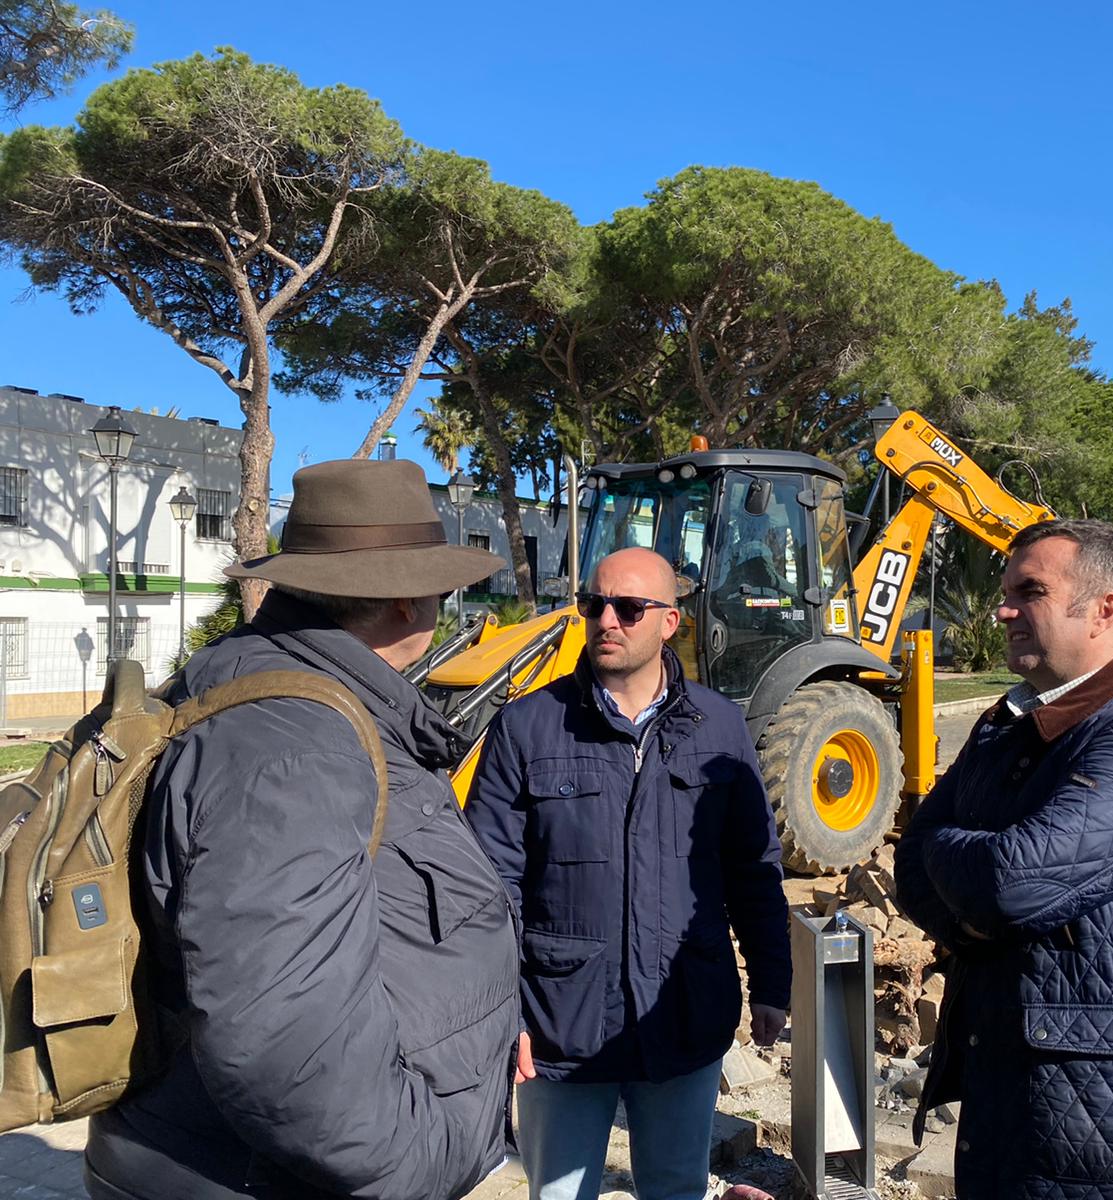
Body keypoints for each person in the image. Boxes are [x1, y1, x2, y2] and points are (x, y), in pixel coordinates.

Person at [83, 459, 521, 1200]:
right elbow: (282, 1045)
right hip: (256, 1176)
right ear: (407, 600)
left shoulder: (280, 696)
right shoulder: (294, 751)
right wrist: (426, 1160)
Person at [467, 547, 790, 1200]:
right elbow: (487, 889)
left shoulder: (720, 728)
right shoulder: (528, 727)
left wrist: (772, 985)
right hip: (560, 1024)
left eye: (629, 607)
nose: (606, 620)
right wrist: (502, 1014)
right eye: (595, 604)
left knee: (675, 1188)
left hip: (682, 1013)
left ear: (670, 621)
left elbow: (753, 869)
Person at [895, 518, 1113, 1200]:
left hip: (1097, 1119)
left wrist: (970, 882)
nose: (1002, 611)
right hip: (1002, 1084)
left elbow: (1008, 884)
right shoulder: (1005, 723)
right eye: (1006, 592)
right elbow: (912, 857)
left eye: (1028, 592)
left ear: (1104, 611)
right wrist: (967, 905)